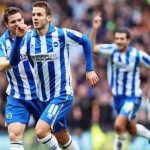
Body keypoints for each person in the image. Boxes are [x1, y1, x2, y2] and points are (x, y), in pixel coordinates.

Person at [9, 1, 99, 150]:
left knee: (41, 131)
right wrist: (18, 38)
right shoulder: (28, 38)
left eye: (39, 14)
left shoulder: (61, 34)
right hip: (43, 98)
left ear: (49, 18)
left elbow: (86, 41)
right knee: (63, 138)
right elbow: (13, 61)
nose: (35, 18)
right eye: (33, 15)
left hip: (61, 94)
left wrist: (89, 69)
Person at [90, 15, 150, 150]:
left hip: (132, 97)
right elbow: (93, 48)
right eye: (117, 38)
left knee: (118, 125)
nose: (119, 41)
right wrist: (94, 28)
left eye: (122, 39)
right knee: (132, 130)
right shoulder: (112, 51)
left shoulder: (137, 55)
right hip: (117, 98)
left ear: (128, 40)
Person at [0, 7, 42, 150]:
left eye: (19, 20)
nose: (17, 23)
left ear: (24, 20)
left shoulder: (34, 37)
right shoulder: (1, 43)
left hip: (41, 94)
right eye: (13, 22)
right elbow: (1, 65)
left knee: (58, 134)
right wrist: (13, 58)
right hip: (17, 96)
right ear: (7, 24)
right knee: (14, 136)